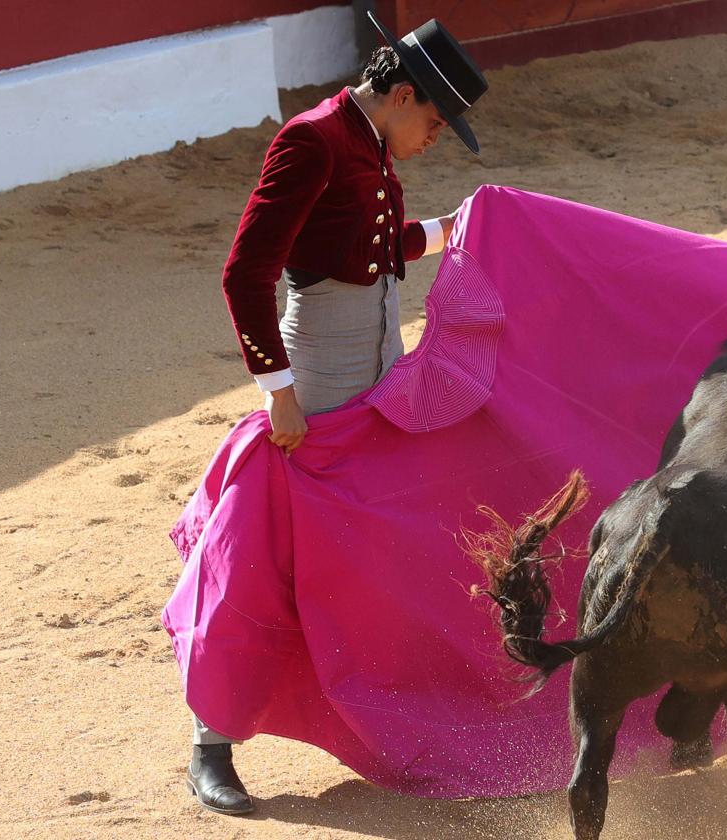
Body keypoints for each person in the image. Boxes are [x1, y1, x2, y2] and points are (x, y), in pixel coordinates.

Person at [184, 13, 488, 816]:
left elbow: (366, 249)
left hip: (377, 366)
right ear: (402, 91)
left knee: (369, 550)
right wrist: (277, 390)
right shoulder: (312, 138)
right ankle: (212, 739)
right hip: (316, 381)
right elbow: (246, 272)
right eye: (434, 119)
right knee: (274, 556)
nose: (433, 136)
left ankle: (385, 720)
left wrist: (449, 232)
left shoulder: (371, 139)